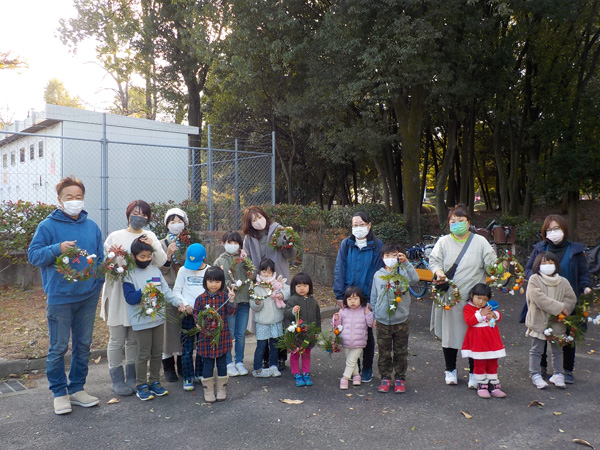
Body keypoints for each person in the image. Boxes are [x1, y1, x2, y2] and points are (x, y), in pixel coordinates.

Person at [28, 176, 104, 415]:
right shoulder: (48, 226)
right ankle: (60, 392)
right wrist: (56, 248)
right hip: (60, 297)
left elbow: (99, 259)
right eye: (69, 197)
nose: (74, 201)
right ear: (60, 200)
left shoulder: (91, 226)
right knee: (58, 347)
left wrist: (96, 283)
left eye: (78, 197)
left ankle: (78, 388)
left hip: (87, 296)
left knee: (83, 345)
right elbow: (34, 255)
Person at [100, 200, 167, 396]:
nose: (140, 217)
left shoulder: (151, 236)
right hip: (118, 292)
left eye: (144, 214)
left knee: (133, 340)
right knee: (117, 338)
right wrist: (114, 259)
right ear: (128, 214)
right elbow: (106, 263)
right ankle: (117, 379)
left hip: (141, 293)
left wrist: (153, 244)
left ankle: (132, 377)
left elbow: (161, 262)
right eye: (136, 212)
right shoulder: (115, 236)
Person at [428, 204, 496, 387]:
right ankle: (450, 370)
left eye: (461, 221)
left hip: (474, 300)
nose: (457, 224)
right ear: (448, 224)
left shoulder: (480, 242)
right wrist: (439, 272)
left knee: (475, 335)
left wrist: (500, 266)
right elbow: (434, 261)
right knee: (450, 336)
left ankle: (475, 372)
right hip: (450, 297)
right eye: (453, 221)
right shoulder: (443, 242)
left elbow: (491, 265)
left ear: (469, 222)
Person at [523, 214, 593, 384]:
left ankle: (565, 370)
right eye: (549, 229)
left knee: (566, 335)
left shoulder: (575, 250)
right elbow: (528, 270)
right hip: (542, 302)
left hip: (566, 300)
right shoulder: (540, 249)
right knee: (541, 333)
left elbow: (583, 273)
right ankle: (540, 368)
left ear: (564, 230)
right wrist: (538, 280)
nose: (553, 232)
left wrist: (586, 287)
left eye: (556, 229)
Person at [123, 237, 185, 401]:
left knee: (157, 352)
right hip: (141, 322)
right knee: (143, 354)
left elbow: (165, 291)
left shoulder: (155, 271)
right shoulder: (129, 274)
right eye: (142, 257)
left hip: (158, 318)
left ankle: (155, 382)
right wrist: (145, 290)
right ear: (134, 256)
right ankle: (141, 384)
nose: (146, 259)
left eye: (149, 256)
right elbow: (129, 298)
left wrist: (178, 302)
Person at [243, 206, 296, 371]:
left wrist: (288, 241)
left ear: (264, 215)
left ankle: (280, 357)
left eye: (259, 217)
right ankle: (265, 358)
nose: (258, 221)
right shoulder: (249, 239)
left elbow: (290, 254)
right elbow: (248, 261)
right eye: (253, 220)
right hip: (261, 283)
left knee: (280, 320)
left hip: (279, 280)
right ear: (249, 224)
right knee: (264, 320)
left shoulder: (278, 230)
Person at [333, 212, 384, 383]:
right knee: (349, 331)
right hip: (349, 296)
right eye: (354, 225)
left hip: (367, 296)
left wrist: (371, 300)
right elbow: (339, 269)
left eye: (361, 224)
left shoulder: (377, 245)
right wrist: (340, 294)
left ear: (369, 225)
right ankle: (355, 367)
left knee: (367, 333)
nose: (358, 228)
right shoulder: (346, 245)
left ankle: (367, 368)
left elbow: (378, 272)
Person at [370, 243, 419, 394]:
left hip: (401, 320)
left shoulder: (403, 272)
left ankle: (400, 378)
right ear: (382, 258)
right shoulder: (378, 275)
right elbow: (374, 296)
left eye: (394, 256)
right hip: (383, 320)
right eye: (387, 256)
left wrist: (407, 263)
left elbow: (415, 279)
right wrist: (374, 315)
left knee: (400, 351)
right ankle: (385, 377)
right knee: (384, 351)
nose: (390, 259)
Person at [525, 252, 577, 390]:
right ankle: (535, 374)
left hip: (557, 323)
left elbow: (571, 299)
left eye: (550, 263)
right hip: (538, 321)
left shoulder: (563, 282)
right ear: (537, 265)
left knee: (558, 350)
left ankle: (558, 373)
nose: (547, 266)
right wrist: (560, 308)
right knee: (536, 350)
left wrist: (565, 308)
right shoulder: (534, 279)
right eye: (544, 263)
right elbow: (538, 298)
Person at [193, 267, 237, 403]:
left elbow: (231, 312)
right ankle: (209, 391)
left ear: (222, 283)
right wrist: (198, 323)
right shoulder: (200, 299)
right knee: (208, 365)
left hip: (221, 337)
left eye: (217, 281)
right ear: (205, 282)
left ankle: (222, 389)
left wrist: (231, 301)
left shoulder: (224, 296)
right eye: (211, 281)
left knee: (222, 364)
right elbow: (196, 314)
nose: (214, 285)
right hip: (206, 338)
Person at [214, 231, 252, 377]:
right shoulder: (219, 261)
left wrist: (247, 262)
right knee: (228, 333)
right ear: (223, 244)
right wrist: (230, 284)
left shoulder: (243, 260)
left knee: (241, 334)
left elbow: (252, 275)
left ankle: (240, 361)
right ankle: (228, 362)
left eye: (236, 243)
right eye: (229, 242)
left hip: (243, 301)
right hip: (228, 303)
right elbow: (216, 281)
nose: (232, 246)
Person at [173, 243, 209, 391]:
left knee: (202, 346)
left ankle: (200, 373)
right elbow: (177, 290)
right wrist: (185, 304)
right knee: (187, 348)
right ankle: (188, 376)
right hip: (187, 314)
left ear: (204, 258)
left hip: (204, 315)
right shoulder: (183, 270)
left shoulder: (209, 271)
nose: (192, 267)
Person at [159, 207, 189, 383]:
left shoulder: (190, 243)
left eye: (179, 221)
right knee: (169, 329)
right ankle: (168, 366)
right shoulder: (161, 244)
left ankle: (183, 366)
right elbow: (160, 270)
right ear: (167, 225)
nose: (176, 225)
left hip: (186, 289)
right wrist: (169, 255)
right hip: (169, 289)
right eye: (172, 221)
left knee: (185, 328)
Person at [461, 284, 507, 398]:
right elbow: (469, 321)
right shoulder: (468, 308)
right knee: (480, 363)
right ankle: (482, 385)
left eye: (485, 299)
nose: (481, 302)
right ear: (472, 295)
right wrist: (480, 315)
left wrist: (494, 315)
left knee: (493, 362)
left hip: (492, 340)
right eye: (479, 298)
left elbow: (498, 315)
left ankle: (493, 385)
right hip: (478, 342)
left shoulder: (488, 307)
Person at [249, 258, 290, 378]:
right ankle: (257, 368)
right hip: (262, 322)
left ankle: (273, 366)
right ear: (259, 272)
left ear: (273, 273)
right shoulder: (256, 287)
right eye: (264, 272)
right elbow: (253, 305)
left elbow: (288, 290)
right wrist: (257, 303)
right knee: (261, 346)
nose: (266, 274)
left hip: (276, 321)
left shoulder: (277, 284)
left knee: (274, 345)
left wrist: (282, 294)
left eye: (269, 272)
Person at [283, 273, 321, 387]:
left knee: (306, 354)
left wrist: (317, 331)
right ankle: (296, 373)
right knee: (295, 354)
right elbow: (286, 314)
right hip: (296, 335)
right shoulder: (293, 300)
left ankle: (306, 372)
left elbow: (318, 317)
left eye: (305, 285)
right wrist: (293, 311)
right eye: (298, 286)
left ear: (309, 287)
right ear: (294, 287)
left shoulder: (313, 302)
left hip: (308, 335)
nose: (302, 288)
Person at [332, 287, 374, 390]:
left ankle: (345, 377)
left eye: (355, 298)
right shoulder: (343, 311)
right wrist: (336, 318)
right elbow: (337, 325)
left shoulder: (364, 311)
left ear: (361, 299)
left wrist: (368, 313)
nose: (352, 302)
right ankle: (356, 375)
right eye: (349, 299)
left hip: (359, 341)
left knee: (351, 361)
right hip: (345, 341)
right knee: (352, 361)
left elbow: (370, 324)